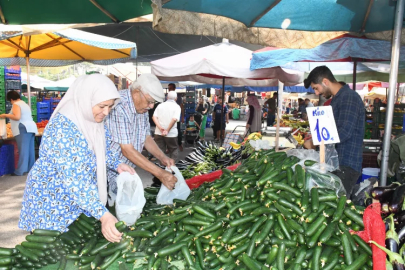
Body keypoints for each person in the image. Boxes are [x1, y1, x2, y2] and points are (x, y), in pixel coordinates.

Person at [18, 75, 135, 243]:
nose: (106, 112)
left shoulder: (93, 120)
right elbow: (75, 179)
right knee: (48, 253)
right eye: (102, 106)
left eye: (110, 106)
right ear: (86, 99)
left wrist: (117, 164)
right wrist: (103, 215)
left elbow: (103, 149)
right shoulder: (64, 128)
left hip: (79, 199)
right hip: (52, 203)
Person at [106, 74, 177, 192]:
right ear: (136, 92)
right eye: (149, 101)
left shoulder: (141, 108)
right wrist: (160, 174)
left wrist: (162, 157)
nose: (151, 106)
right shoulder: (120, 106)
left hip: (125, 172)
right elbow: (127, 149)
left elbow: (146, 138)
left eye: (153, 102)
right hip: (109, 173)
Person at [304, 66, 365, 197]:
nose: (316, 93)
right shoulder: (336, 99)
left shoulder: (349, 98)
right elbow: (331, 129)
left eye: (316, 88)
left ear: (325, 82)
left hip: (346, 165)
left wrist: (315, 142)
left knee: (337, 206)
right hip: (337, 164)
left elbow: (344, 132)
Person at [0, 91, 38, 176]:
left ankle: (20, 171)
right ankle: (30, 168)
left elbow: (17, 117)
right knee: (30, 149)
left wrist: (6, 115)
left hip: (22, 128)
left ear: (11, 99)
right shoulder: (24, 104)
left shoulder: (16, 104)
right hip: (31, 127)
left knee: (23, 150)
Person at [152, 91, 181, 161]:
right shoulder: (177, 107)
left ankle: (162, 169)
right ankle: (171, 168)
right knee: (173, 150)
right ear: (176, 98)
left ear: (167, 97)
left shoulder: (160, 105)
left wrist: (160, 128)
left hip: (158, 133)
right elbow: (174, 119)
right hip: (171, 134)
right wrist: (167, 130)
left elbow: (154, 117)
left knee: (160, 152)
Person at [168, 83, 184, 152]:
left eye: (170, 88)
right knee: (168, 132)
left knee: (178, 132)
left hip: (176, 118)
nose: (169, 90)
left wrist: (182, 116)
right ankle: (169, 147)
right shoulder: (167, 96)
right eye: (169, 88)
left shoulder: (178, 97)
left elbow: (182, 107)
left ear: (174, 89)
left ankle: (179, 144)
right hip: (169, 117)